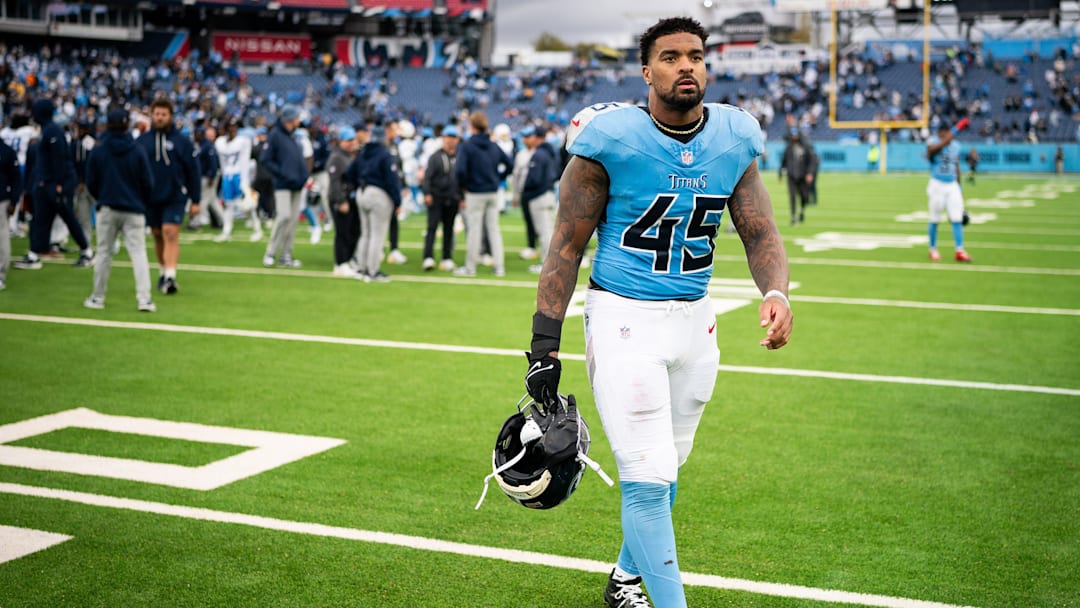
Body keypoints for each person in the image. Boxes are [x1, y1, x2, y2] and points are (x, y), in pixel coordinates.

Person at [522, 17, 792, 608]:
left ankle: (624, 580)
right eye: (670, 57)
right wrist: (544, 346)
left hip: (696, 321)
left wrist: (776, 292)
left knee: (668, 471)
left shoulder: (733, 136)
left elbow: (759, 228)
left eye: (695, 56)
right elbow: (565, 248)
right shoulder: (609, 138)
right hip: (625, 318)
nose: (686, 66)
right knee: (646, 481)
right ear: (648, 72)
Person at [83, 108, 157, 312]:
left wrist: (103, 197)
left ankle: (98, 297)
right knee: (138, 253)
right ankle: (145, 299)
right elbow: (148, 183)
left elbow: (91, 182)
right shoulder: (137, 150)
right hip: (134, 209)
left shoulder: (99, 150)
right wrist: (140, 201)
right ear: (127, 125)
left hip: (108, 207)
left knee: (104, 253)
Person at [13, 98, 94, 270]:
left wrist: (59, 184)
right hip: (47, 182)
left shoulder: (52, 131)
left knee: (68, 217)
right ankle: (34, 254)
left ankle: (87, 251)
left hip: (56, 183)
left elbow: (59, 159)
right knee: (41, 219)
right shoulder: (48, 130)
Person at [136, 97, 201, 294]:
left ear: (171, 116)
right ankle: (163, 271)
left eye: (164, 114)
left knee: (170, 233)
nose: (160, 118)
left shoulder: (182, 142)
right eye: (157, 114)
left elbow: (193, 171)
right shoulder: (142, 141)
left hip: (175, 196)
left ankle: (171, 276)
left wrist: (195, 199)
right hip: (150, 197)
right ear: (152, 115)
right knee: (157, 235)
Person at [454, 111, 511, 277]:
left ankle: (470, 267)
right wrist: (497, 178)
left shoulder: (467, 145)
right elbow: (509, 164)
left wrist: (464, 186)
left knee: (474, 230)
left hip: (474, 193)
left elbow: (460, 171)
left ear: (472, 126)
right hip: (492, 192)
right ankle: (499, 267)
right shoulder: (493, 145)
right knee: (493, 229)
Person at [346, 122, 400, 282]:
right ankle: (373, 270)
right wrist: (397, 201)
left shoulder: (363, 152)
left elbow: (350, 172)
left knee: (365, 233)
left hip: (362, 192)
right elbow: (392, 180)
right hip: (378, 194)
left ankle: (362, 268)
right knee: (377, 235)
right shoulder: (385, 154)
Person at [260, 104, 309, 268]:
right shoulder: (275, 135)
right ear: (290, 119)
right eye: (296, 117)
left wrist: (303, 177)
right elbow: (266, 159)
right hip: (283, 184)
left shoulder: (292, 136)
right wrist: (282, 173)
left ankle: (286, 255)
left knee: (293, 221)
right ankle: (270, 252)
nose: (299, 120)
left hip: (297, 184)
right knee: (284, 216)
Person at [420, 124, 463, 271]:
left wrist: (462, 196)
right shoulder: (435, 157)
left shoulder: (460, 157)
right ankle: (428, 257)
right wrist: (427, 193)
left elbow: (463, 178)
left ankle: (446, 257)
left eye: (453, 137)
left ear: (457, 139)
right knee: (432, 227)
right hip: (436, 196)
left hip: (453, 197)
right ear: (443, 138)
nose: (450, 140)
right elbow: (427, 177)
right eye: (447, 137)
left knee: (449, 229)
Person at [926, 122, 971, 262]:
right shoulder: (933, 142)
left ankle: (960, 250)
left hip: (952, 185)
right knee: (934, 218)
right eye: (943, 132)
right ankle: (932, 248)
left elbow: (956, 166)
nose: (944, 135)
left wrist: (959, 186)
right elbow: (932, 152)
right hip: (937, 184)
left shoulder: (955, 146)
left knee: (957, 218)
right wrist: (956, 129)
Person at [517, 125, 559, 273]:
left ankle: (546, 264)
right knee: (548, 231)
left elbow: (533, 178)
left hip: (539, 196)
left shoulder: (539, 154)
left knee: (544, 233)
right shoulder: (551, 152)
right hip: (549, 194)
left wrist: (526, 190)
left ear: (537, 137)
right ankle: (551, 263)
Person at [214, 117, 259, 242]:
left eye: (234, 127)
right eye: (230, 127)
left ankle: (257, 229)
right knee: (228, 205)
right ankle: (226, 231)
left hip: (239, 175)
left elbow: (245, 160)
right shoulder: (221, 142)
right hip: (228, 175)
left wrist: (245, 179)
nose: (232, 130)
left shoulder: (243, 141)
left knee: (248, 204)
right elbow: (222, 161)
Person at [327, 125, 361, 277]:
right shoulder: (336, 158)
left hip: (352, 198)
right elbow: (335, 182)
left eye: (353, 139)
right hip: (341, 199)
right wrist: (340, 201)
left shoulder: (351, 156)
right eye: (348, 140)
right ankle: (340, 263)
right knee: (343, 232)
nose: (352, 142)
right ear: (340, 141)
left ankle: (348, 260)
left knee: (354, 231)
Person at [778, 128, 817, 225]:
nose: (794, 137)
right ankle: (793, 216)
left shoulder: (805, 147)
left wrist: (810, 173)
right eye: (793, 135)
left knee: (804, 196)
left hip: (803, 176)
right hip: (791, 175)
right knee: (792, 196)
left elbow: (812, 161)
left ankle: (802, 210)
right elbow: (784, 161)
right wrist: (780, 174)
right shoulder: (789, 147)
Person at [0, 136, 22, 290]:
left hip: (2, 200)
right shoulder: (7, 151)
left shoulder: (6, 151)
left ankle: (1, 275)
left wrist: (13, 200)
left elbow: (16, 179)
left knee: (2, 237)